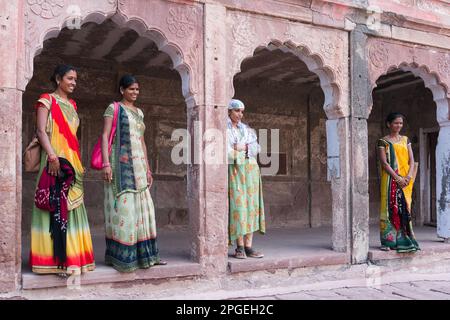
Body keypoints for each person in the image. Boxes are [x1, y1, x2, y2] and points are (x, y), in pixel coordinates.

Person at [30, 64, 95, 275]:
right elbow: (41, 131)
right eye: (70, 78)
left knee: (73, 208)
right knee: (54, 205)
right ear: (58, 79)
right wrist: (51, 156)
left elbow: (73, 137)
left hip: (71, 163)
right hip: (53, 161)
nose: (74, 83)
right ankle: (52, 261)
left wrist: (76, 160)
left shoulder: (73, 105)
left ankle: (72, 258)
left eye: (75, 79)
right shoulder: (46, 100)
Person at [101, 75, 166, 272]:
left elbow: (142, 141)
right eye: (131, 89)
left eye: (137, 89)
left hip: (138, 166)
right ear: (122, 90)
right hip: (120, 166)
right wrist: (106, 164)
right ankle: (122, 258)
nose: (135, 93)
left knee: (144, 212)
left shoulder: (139, 112)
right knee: (125, 211)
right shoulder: (113, 108)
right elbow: (105, 136)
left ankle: (146, 256)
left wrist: (147, 168)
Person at [227, 99, 266, 259]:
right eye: (237, 111)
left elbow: (257, 148)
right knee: (239, 207)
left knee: (251, 207)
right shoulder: (225, 129)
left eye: (242, 111)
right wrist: (241, 151)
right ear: (229, 111)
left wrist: (244, 147)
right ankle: (239, 246)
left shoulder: (247, 129)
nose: (240, 114)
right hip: (236, 171)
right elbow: (226, 151)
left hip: (251, 171)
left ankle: (249, 246)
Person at [377, 112, 420, 253]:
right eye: (396, 123)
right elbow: (384, 163)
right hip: (390, 179)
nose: (398, 125)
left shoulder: (406, 140)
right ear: (389, 124)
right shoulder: (383, 141)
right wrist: (397, 178)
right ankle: (388, 241)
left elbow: (412, 160)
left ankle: (406, 238)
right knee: (389, 208)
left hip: (406, 179)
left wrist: (407, 177)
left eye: (400, 123)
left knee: (405, 208)